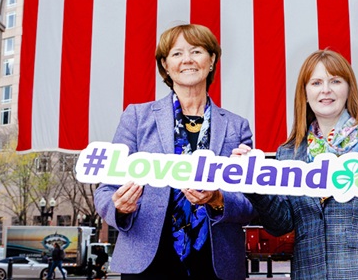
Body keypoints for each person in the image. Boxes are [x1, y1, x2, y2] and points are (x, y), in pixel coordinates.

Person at [236, 49, 358, 280]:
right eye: (316, 82)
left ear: (348, 89)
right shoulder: (290, 152)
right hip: (310, 272)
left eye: (335, 80)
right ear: (304, 93)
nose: (326, 90)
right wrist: (253, 182)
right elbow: (281, 224)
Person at [94, 24, 256, 280]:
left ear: (211, 60)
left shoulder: (237, 127)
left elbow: (251, 204)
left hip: (216, 266)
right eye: (177, 53)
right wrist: (120, 207)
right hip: (148, 264)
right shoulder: (137, 118)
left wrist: (218, 199)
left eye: (197, 51)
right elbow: (105, 190)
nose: (187, 60)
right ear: (165, 65)